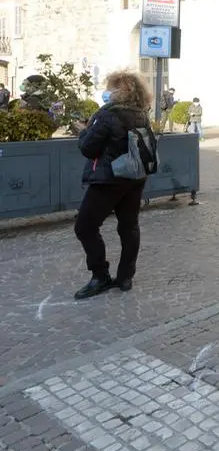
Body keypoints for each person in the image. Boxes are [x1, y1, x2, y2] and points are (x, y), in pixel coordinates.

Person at [72, 71, 154, 300]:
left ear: (120, 90)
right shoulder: (141, 114)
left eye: (111, 87)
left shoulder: (106, 114)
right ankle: (125, 276)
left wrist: (83, 131)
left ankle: (100, 276)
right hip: (135, 177)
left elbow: (88, 148)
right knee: (129, 226)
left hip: (109, 179)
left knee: (85, 226)